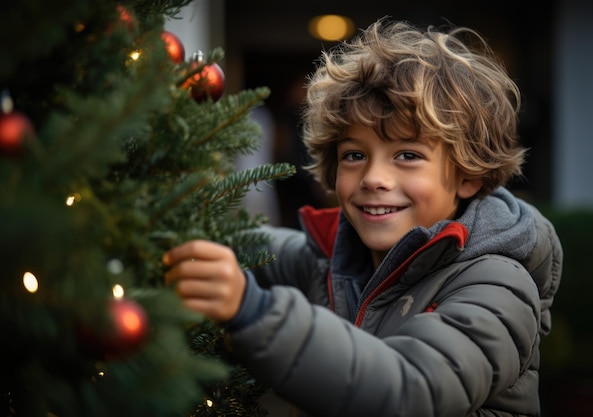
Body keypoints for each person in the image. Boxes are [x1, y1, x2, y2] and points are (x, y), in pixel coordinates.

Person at [163, 18, 563, 417]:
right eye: (354, 155)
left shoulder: (498, 286)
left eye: (407, 155)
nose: (373, 178)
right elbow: (249, 248)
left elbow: (411, 391)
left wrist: (253, 310)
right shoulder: (330, 258)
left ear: (468, 176)